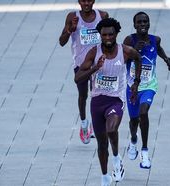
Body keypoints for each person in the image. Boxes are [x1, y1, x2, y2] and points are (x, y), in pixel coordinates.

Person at [75, 18, 142, 186]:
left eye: (111, 34)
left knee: (111, 129)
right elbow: (77, 79)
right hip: (97, 102)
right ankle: (105, 176)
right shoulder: (93, 53)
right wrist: (95, 68)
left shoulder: (125, 51)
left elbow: (138, 58)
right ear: (100, 35)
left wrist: (136, 82)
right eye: (104, 35)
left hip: (116, 100)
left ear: (116, 34)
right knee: (102, 143)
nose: (107, 38)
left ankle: (117, 158)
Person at [123, 11, 170, 169]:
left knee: (143, 112)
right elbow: (122, 59)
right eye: (139, 22)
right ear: (134, 25)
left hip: (149, 86)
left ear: (149, 23)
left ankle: (145, 152)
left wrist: (167, 60)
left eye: (145, 22)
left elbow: (158, 49)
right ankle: (133, 140)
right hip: (132, 88)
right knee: (134, 121)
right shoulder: (129, 40)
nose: (142, 25)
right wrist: (135, 50)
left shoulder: (155, 39)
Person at [59, 0, 108, 144]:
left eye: (89, 0)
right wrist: (70, 30)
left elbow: (109, 38)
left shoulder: (103, 16)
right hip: (80, 65)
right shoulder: (72, 17)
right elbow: (61, 42)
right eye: (83, 0)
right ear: (79, 1)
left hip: (98, 64)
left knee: (97, 95)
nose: (86, 3)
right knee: (83, 95)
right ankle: (84, 123)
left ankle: (95, 123)